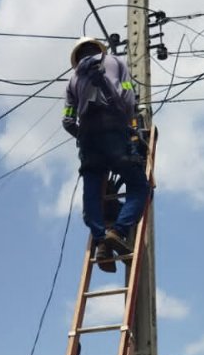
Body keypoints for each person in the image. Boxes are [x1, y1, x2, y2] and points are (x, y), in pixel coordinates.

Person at [62, 36, 150, 272]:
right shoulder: (115, 62)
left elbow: (68, 120)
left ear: (77, 57)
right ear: (98, 48)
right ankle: (118, 232)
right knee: (139, 186)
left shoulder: (72, 82)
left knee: (92, 188)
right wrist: (129, 122)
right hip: (114, 127)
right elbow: (129, 96)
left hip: (88, 137)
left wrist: (84, 135)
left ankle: (101, 240)